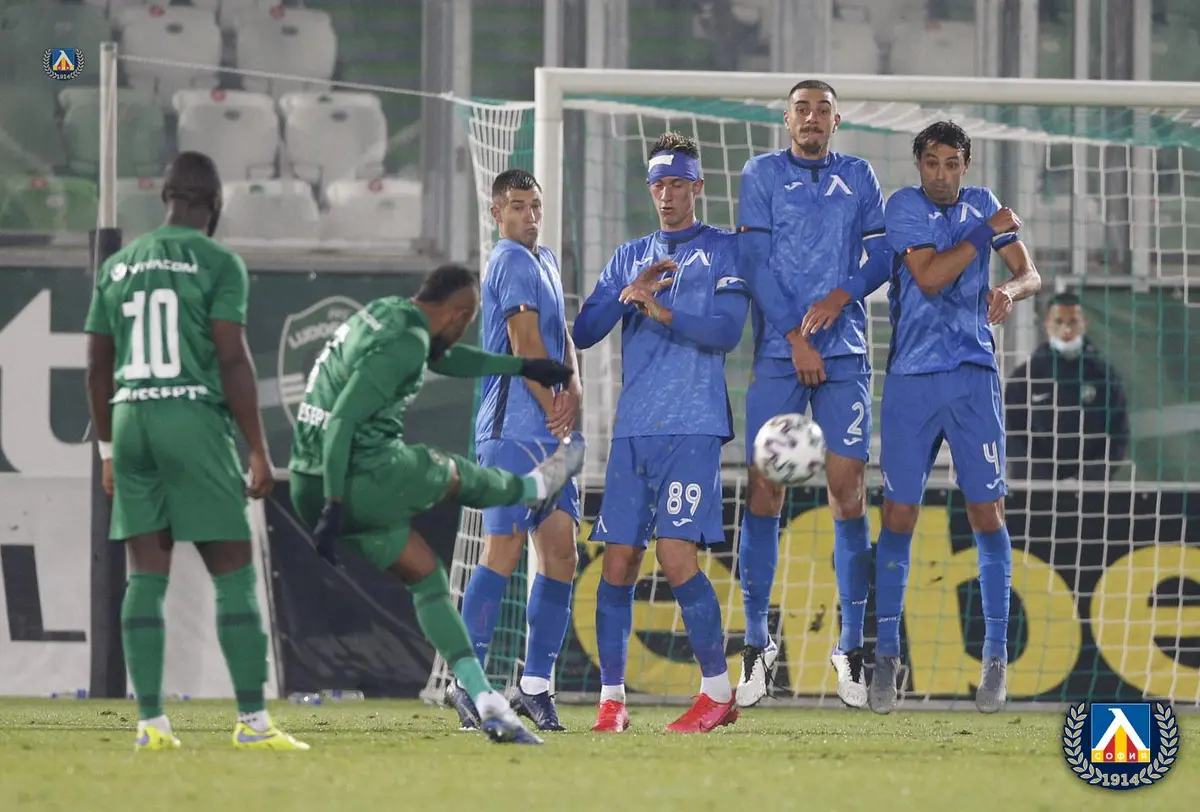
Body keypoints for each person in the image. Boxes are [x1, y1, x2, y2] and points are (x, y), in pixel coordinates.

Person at [288, 264, 584, 746]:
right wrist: (336, 500)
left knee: (427, 577)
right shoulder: (405, 342)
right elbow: (342, 420)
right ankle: (533, 487)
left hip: (306, 480)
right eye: (468, 321)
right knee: (450, 473)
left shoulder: (386, 315)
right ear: (459, 314)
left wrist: (522, 367)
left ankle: (482, 697)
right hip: (358, 474)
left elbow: (447, 360)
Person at [84, 151, 308, 752]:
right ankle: (253, 723)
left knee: (145, 576)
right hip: (190, 416)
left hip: (131, 418)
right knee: (233, 573)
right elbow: (231, 356)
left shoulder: (117, 265)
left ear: (165, 198)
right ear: (214, 205)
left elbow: (97, 365)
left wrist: (107, 450)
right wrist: (256, 448)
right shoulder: (217, 261)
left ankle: (151, 723)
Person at [573, 132, 751, 733]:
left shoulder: (724, 249)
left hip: (694, 425)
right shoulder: (630, 255)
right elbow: (584, 331)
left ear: (697, 186)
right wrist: (631, 296)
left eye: (677, 184)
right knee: (618, 561)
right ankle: (612, 701)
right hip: (633, 430)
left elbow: (726, 332)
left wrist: (661, 310)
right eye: (658, 185)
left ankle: (717, 692)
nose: (667, 195)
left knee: (676, 557)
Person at [871, 120, 1042, 715]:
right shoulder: (904, 207)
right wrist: (983, 232)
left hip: (973, 377)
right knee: (899, 513)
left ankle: (995, 658)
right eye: (932, 163)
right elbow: (929, 276)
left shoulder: (983, 203)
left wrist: (1010, 292)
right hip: (912, 379)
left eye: (951, 164)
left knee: (986, 513)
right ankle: (886, 654)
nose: (941, 175)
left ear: (966, 166)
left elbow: (1030, 272)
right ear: (919, 165)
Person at [734, 79, 893, 709]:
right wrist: (797, 336)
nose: (811, 117)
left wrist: (839, 296)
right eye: (802, 108)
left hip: (846, 353)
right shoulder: (761, 174)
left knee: (848, 492)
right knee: (765, 488)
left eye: (822, 109)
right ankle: (756, 642)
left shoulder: (860, 176)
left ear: (835, 121)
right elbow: (753, 264)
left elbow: (882, 257)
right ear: (787, 119)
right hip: (781, 353)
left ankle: (849, 647)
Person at [451, 169, 583, 734]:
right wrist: (557, 405)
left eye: (535, 206)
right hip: (512, 432)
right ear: (496, 214)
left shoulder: (545, 259)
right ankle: (466, 682)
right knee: (502, 550)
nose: (530, 216)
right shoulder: (507, 261)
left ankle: (534, 686)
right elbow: (525, 346)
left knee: (561, 555)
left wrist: (575, 387)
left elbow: (561, 339)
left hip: (553, 432)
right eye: (518, 207)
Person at [1005, 292, 1130, 482]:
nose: (1066, 329)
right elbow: (1012, 435)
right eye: (1059, 321)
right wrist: (1046, 480)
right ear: (1047, 325)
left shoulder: (1105, 377)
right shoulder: (1024, 378)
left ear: (1084, 324)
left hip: (1091, 490)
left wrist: (1087, 478)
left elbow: (1118, 435)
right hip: (1036, 489)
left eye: (1073, 321)